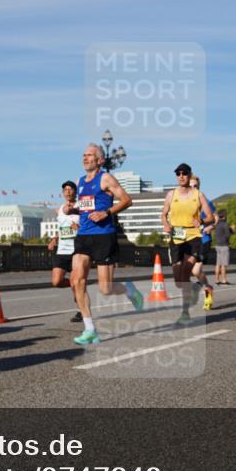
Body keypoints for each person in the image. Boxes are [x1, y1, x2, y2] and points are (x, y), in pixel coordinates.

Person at [69, 143, 144, 345]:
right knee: (77, 280)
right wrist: (72, 211)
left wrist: (107, 212)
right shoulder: (80, 181)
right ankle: (90, 329)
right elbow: (85, 208)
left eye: (90, 155)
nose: (85, 158)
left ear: (100, 160)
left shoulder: (106, 178)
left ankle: (129, 290)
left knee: (106, 288)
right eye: (83, 155)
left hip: (104, 235)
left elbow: (127, 200)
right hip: (83, 235)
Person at [162, 164, 216, 324]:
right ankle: (196, 287)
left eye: (184, 173)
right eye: (178, 173)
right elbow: (164, 214)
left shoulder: (198, 195)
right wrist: (165, 223)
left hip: (193, 238)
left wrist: (200, 220)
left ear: (189, 174)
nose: (181, 176)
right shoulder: (171, 195)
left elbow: (211, 218)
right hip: (176, 238)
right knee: (179, 281)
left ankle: (185, 313)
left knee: (186, 272)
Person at [47, 180, 82, 323]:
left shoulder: (81, 207)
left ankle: (81, 310)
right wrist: (54, 238)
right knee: (56, 281)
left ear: (75, 191)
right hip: (62, 250)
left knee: (75, 281)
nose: (68, 192)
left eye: (70, 189)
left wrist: (79, 228)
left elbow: (89, 224)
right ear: (62, 193)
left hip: (77, 250)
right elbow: (62, 227)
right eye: (65, 190)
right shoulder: (59, 209)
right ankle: (76, 284)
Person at [189, 174, 217, 310]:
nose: (193, 188)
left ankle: (206, 287)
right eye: (191, 186)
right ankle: (204, 285)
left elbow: (216, 219)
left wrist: (210, 226)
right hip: (190, 240)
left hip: (204, 240)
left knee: (196, 270)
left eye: (196, 186)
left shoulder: (205, 201)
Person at [213, 209, 234, 285]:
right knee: (224, 264)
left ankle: (216, 280)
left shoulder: (217, 224)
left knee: (218, 264)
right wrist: (232, 230)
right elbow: (227, 235)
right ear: (224, 216)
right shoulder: (225, 224)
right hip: (224, 246)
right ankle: (224, 280)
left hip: (217, 245)